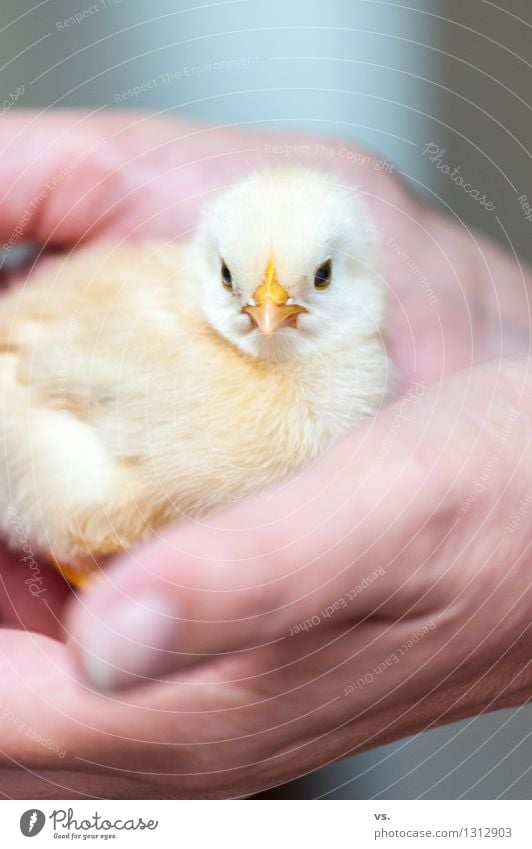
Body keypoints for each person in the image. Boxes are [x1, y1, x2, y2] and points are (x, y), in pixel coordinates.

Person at [0, 110, 530, 800]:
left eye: (316, 282)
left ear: (358, 270)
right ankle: (100, 580)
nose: (270, 312)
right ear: (210, 266)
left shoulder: (348, 371)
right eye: (235, 284)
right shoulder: (177, 355)